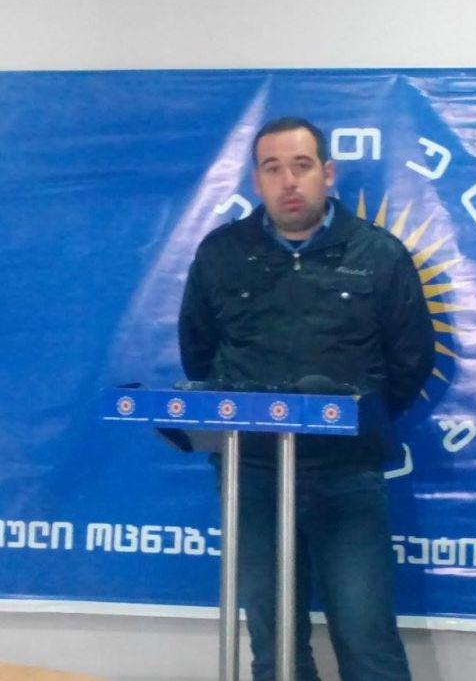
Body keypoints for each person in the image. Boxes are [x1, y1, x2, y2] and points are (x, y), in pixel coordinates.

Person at [178, 116, 434, 681]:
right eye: (273, 169)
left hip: (347, 474)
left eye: (301, 165)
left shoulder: (379, 254)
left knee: (368, 644)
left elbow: (411, 359)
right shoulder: (222, 253)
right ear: (256, 180)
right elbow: (198, 353)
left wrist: (351, 421)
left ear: (328, 173)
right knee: (275, 648)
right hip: (252, 475)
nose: (288, 181)